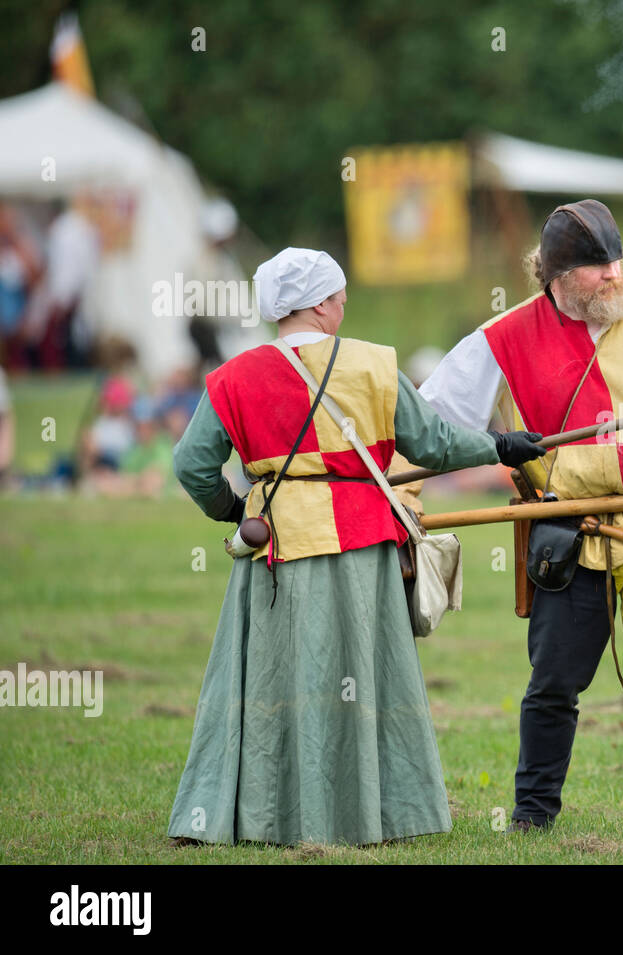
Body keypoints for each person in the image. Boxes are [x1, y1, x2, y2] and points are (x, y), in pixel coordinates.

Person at [166, 247, 544, 846]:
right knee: (362, 679)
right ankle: (372, 815)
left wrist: (236, 509)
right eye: (340, 296)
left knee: (273, 679)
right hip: (363, 549)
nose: (345, 305)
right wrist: (500, 447)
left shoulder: (234, 376)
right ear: (319, 304)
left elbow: (192, 466)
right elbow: (437, 444)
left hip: (274, 549)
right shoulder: (373, 365)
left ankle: (263, 817)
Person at [419, 200, 623, 835]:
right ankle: (534, 816)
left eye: (618, 262)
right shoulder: (502, 338)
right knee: (554, 684)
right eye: (597, 269)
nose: (615, 277)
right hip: (567, 532)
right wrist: (413, 491)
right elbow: (430, 426)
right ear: (556, 276)